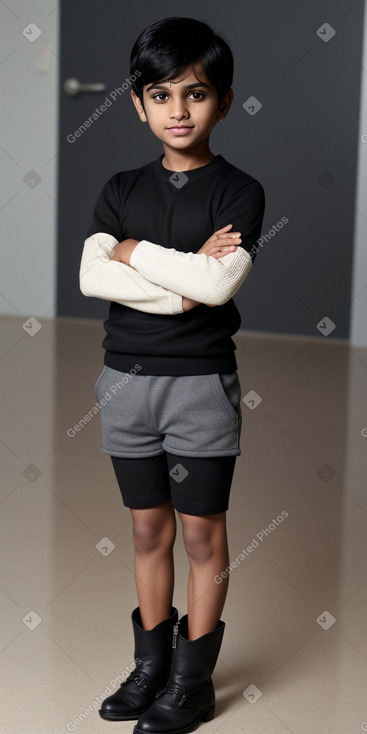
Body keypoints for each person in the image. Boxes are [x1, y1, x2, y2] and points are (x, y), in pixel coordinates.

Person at [79, 16, 265, 734]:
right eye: (160, 95)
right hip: (122, 384)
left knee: (199, 537)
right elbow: (94, 278)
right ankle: (149, 665)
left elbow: (217, 291)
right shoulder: (120, 187)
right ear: (137, 103)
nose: (178, 111)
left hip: (198, 388)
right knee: (147, 531)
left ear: (222, 100)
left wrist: (136, 255)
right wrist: (180, 276)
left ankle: (191, 680)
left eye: (195, 94)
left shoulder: (239, 193)